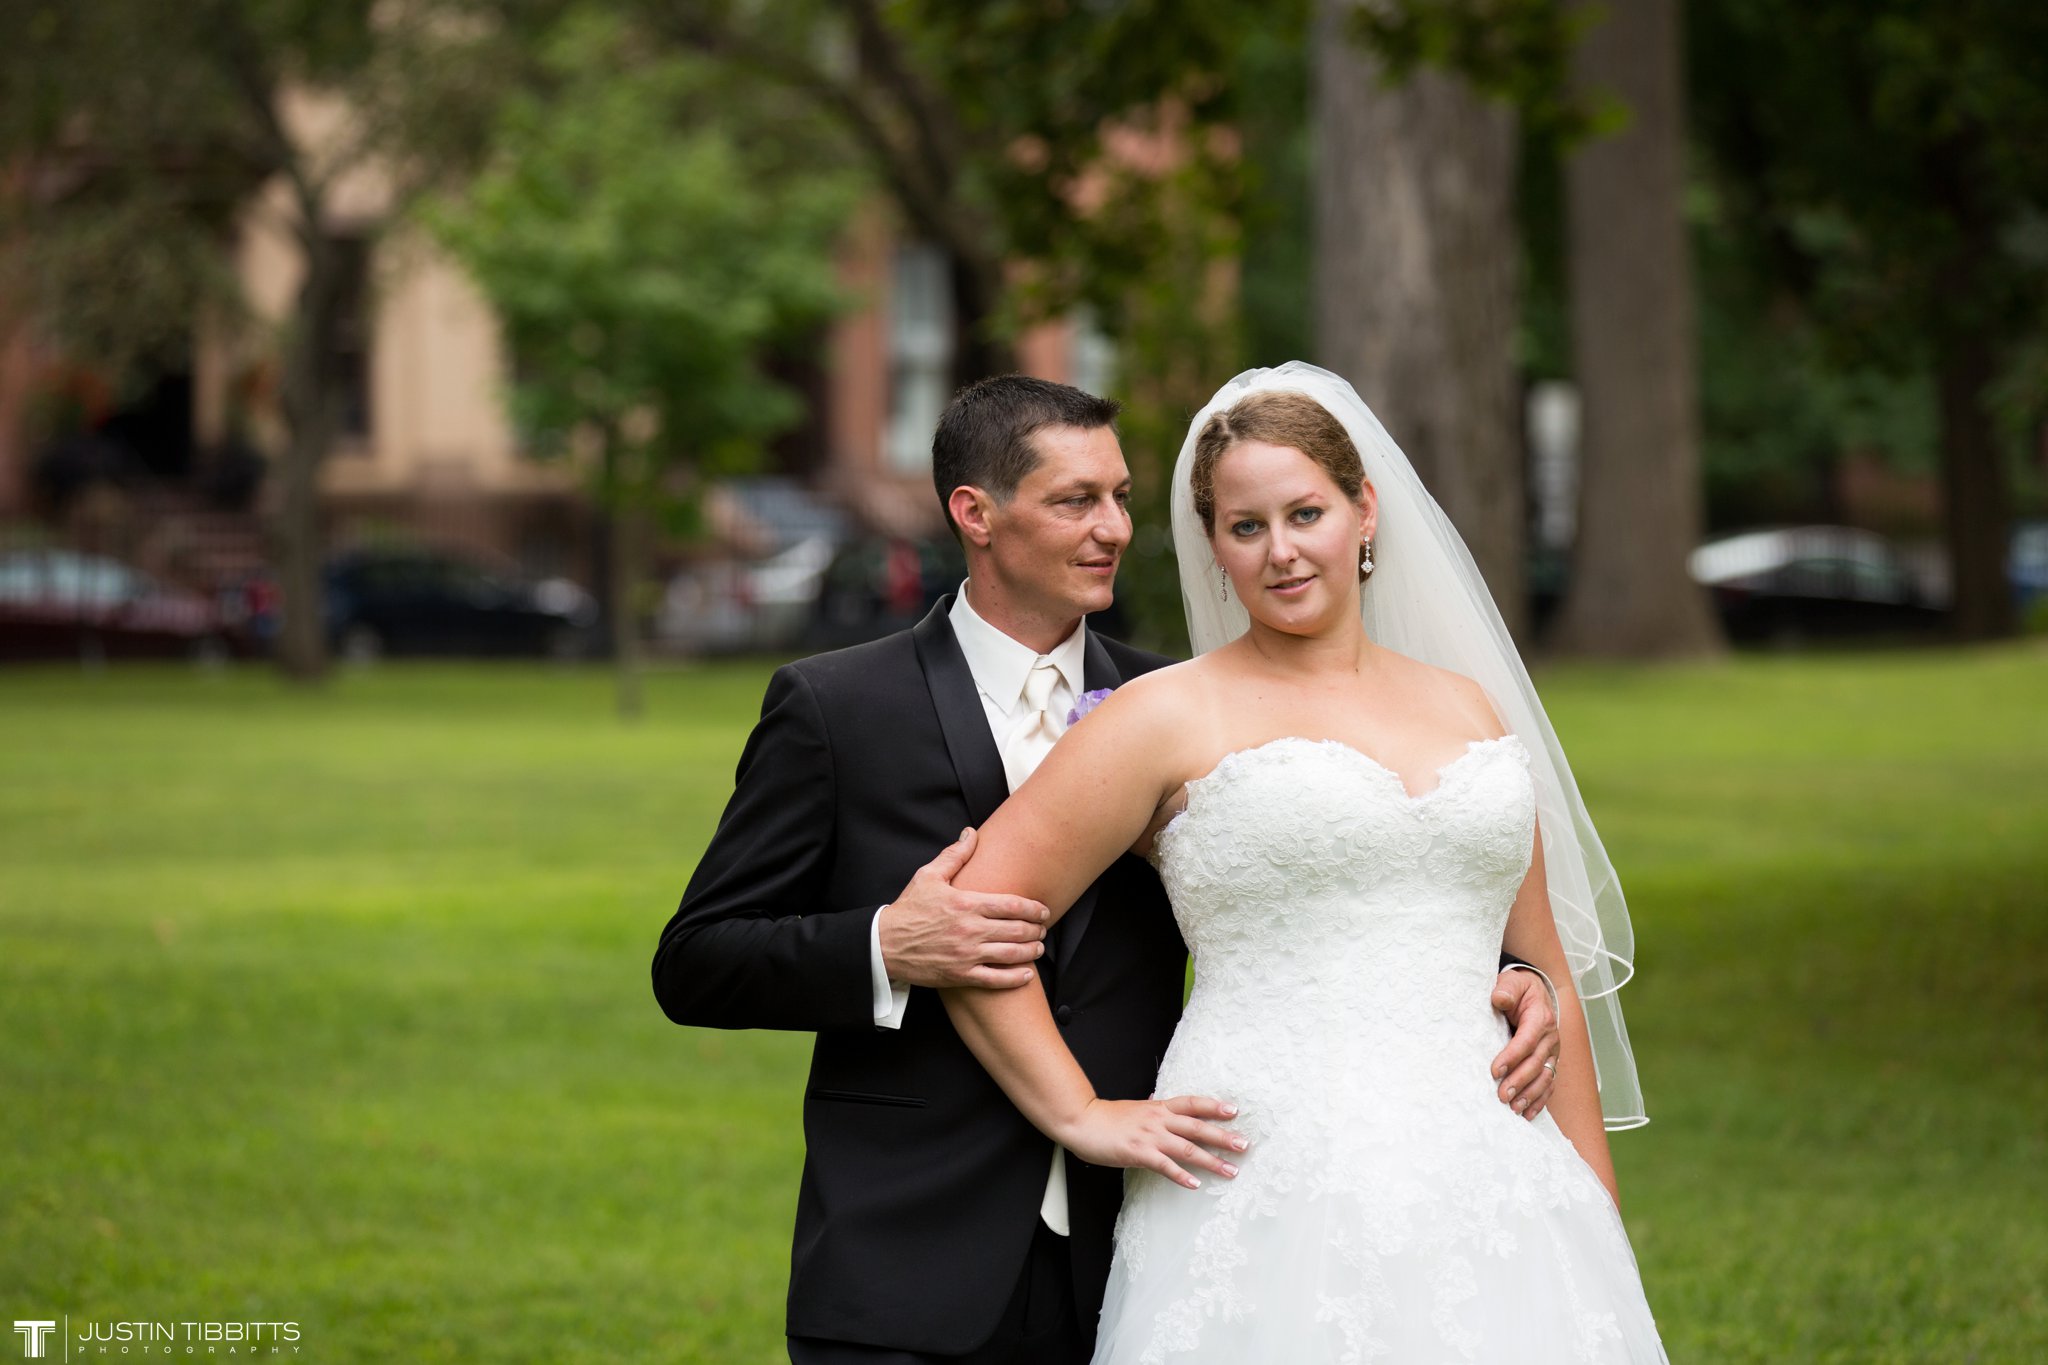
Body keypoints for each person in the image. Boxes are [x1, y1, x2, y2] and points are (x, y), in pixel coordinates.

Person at [652, 374, 1566, 1365]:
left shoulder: (1178, 704)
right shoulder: (838, 708)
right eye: (1073, 501)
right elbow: (697, 958)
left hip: (1143, 1228)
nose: (1113, 529)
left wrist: (1500, 977)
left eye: (1121, 497)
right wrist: (887, 945)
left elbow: (1317, 887)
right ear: (976, 514)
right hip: (908, 1251)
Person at [940, 363, 1666, 1361]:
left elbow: (1545, 970)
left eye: (1304, 513)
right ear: (1214, 548)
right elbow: (974, 915)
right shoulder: (1162, 717)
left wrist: (1592, 1212)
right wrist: (1077, 1112)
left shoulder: (1467, 706)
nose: (1280, 552)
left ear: (1363, 510)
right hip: (1266, 1183)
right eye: (1245, 527)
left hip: (1493, 1177)